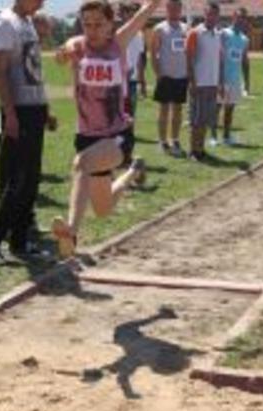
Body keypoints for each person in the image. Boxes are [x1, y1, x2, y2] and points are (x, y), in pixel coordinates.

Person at [51, 0, 161, 260]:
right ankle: (134, 172)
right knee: (103, 208)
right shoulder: (78, 46)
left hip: (117, 135)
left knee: (81, 164)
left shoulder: (118, 43)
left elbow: (145, 12)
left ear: (110, 24)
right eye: (86, 24)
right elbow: (62, 53)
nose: (92, 29)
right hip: (86, 136)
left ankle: (71, 233)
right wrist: (62, 54)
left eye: (98, 24)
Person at [0, 0, 57, 264]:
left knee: (32, 180)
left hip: (34, 109)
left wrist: (45, 109)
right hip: (19, 112)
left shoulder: (28, 23)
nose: (43, 2)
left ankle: (20, 241)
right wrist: (10, 114)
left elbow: (36, 71)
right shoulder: (6, 23)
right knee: (16, 181)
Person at [186, 1, 223, 161]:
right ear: (204, 14)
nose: (212, 17)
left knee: (206, 119)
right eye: (209, 13)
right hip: (199, 84)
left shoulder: (217, 34)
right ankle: (193, 150)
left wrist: (219, 83)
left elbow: (218, 61)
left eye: (215, 14)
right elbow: (188, 59)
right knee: (196, 120)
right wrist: (192, 82)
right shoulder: (195, 33)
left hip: (212, 83)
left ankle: (201, 149)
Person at [151, 0, 188, 158]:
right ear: (166, 9)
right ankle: (162, 141)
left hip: (181, 75)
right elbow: (153, 53)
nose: (174, 10)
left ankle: (175, 139)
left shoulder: (186, 28)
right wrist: (158, 73)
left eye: (177, 7)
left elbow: (188, 51)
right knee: (164, 110)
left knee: (178, 110)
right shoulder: (159, 29)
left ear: (180, 9)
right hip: (166, 76)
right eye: (171, 7)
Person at [212, 7, 249, 146]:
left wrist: (246, 81)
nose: (241, 20)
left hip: (235, 79)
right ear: (233, 17)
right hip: (222, 78)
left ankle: (226, 137)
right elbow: (217, 56)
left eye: (244, 18)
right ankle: (213, 137)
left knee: (230, 109)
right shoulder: (224, 34)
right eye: (239, 17)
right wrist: (219, 80)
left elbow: (244, 60)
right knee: (216, 109)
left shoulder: (245, 39)